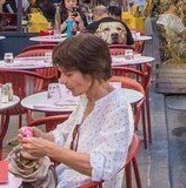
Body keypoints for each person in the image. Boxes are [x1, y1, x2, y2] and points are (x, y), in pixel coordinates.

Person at [18, 34, 133, 187]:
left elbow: (103, 167)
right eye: (61, 73)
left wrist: (48, 149)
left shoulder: (117, 107)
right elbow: (65, 133)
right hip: (63, 178)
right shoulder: (87, 98)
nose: (61, 80)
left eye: (69, 74)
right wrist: (43, 137)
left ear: (93, 71)